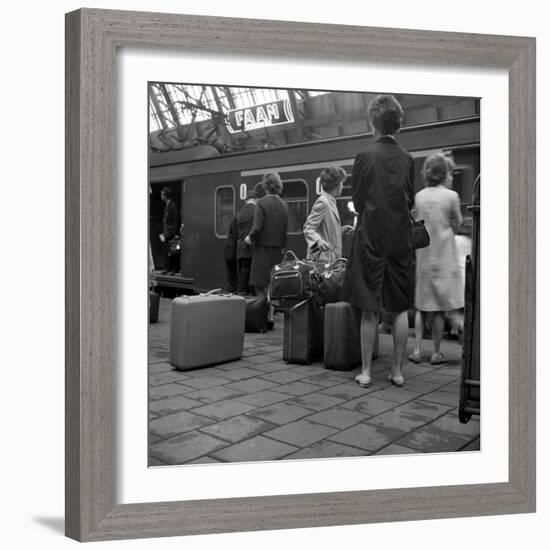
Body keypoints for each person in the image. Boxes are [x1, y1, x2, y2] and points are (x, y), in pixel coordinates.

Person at [342, 94, 415, 388]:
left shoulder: (364, 156)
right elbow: (408, 200)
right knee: (398, 307)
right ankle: (397, 371)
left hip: (370, 235)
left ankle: (366, 372)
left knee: (369, 306)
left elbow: (357, 200)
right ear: (398, 124)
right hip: (399, 237)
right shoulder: (409, 159)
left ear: (372, 122)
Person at [408, 153, 464, 365]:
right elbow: (457, 223)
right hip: (443, 255)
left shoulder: (420, 196)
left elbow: (415, 220)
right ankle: (436, 352)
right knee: (439, 308)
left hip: (423, 255)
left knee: (423, 306)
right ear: (444, 173)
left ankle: (416, 349)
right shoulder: (451, 196)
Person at [244, 173, 289, 328]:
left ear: (265, 185)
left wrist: (249, 238)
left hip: (262, 249)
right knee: (272, 284)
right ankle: (270, 316)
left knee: (259, 284)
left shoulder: (261, 204)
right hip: (278, 250)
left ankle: (261, 316)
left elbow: (257, 227)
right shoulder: (284, 205)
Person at [303, 166, 346, 263]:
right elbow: (308, 228)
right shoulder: (323, 202)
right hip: (322, 260)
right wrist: (318, 241)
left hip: (330, 259)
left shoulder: (330, 202)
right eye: (341, 183)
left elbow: (326, 229)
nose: (342, 186)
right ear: (337, 184)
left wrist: (341, 230)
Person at [236, 182, 266, 294]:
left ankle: (242, 298)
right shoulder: (257, 211)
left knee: (242, 276)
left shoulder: (240, 213)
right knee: (253, 278)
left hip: (241, 250)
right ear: (255, 199)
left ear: (246, 200)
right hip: (253, 250)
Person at [159, 187, 179, 274]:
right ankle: (167, 268)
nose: (161, 196)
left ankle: (174, 269)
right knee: (167, 252)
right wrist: (164, 233)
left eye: (162, 194)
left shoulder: (173, 206)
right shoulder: (166, 206)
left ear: (165, 195)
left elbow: (175, 220)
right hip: (167, 233)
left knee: (173, 252)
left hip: (171, 233)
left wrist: (175, 233)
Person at [223, 217, 238, 293]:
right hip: (232, 252)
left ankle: (232, 293)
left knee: (232, 279)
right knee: (232, 280)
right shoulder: (236, 222)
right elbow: (236, 237)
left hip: (230, 252)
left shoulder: (234, 221)